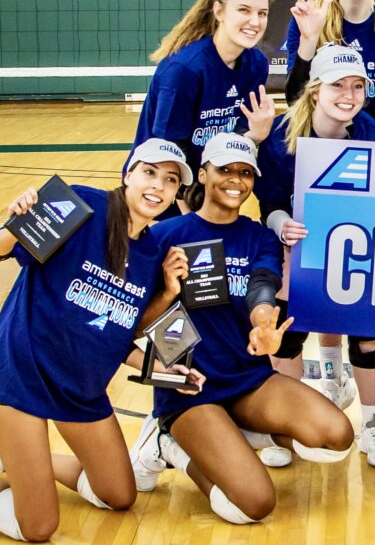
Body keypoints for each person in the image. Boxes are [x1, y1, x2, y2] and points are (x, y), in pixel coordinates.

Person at [0, 140, 195, 541]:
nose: (158, 187)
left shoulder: (153, 252)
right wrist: (16, 221)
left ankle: (13, 459)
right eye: (150, 172)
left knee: (118, 495)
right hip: (22, 378)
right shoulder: (81, 206)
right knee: (38, 527)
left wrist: (166, 300)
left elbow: (120, 330)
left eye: (170, 180)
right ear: (129, 173)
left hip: (80, 391)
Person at [131, 133, 355, 522]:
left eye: (245, 172)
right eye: (225, 170)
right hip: (191, 389)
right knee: (251, 506)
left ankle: (235, 433)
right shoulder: (164, 237)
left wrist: (263, 321)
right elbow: (134, 325)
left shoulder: (257, 236)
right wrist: (168, 292)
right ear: (202, 174)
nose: (235, 179)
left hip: (247, 380)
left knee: (336, 438)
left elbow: (262, 286)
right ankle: (168, 444)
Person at [254, 46, 375, 473]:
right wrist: (280, 224)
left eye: (357, 85)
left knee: (367, 333)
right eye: (337, 85)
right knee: (288, 329)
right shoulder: (280, 137)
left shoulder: (368, 129)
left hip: (356, 248)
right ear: (314, 92)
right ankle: (284, 424)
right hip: (300, 245)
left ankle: (373, 425)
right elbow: (269, 201)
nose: (348, 94)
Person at [130, 0, 279, 207]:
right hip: (159, 190)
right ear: (219, 11)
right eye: (244, 10)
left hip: (208, 187)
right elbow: (167, 151)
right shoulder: (184, 69)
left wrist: (256, 136)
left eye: (262, 13)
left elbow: (236, 137)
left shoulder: (256, 64)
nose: (255, 21)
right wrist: (190, 219)